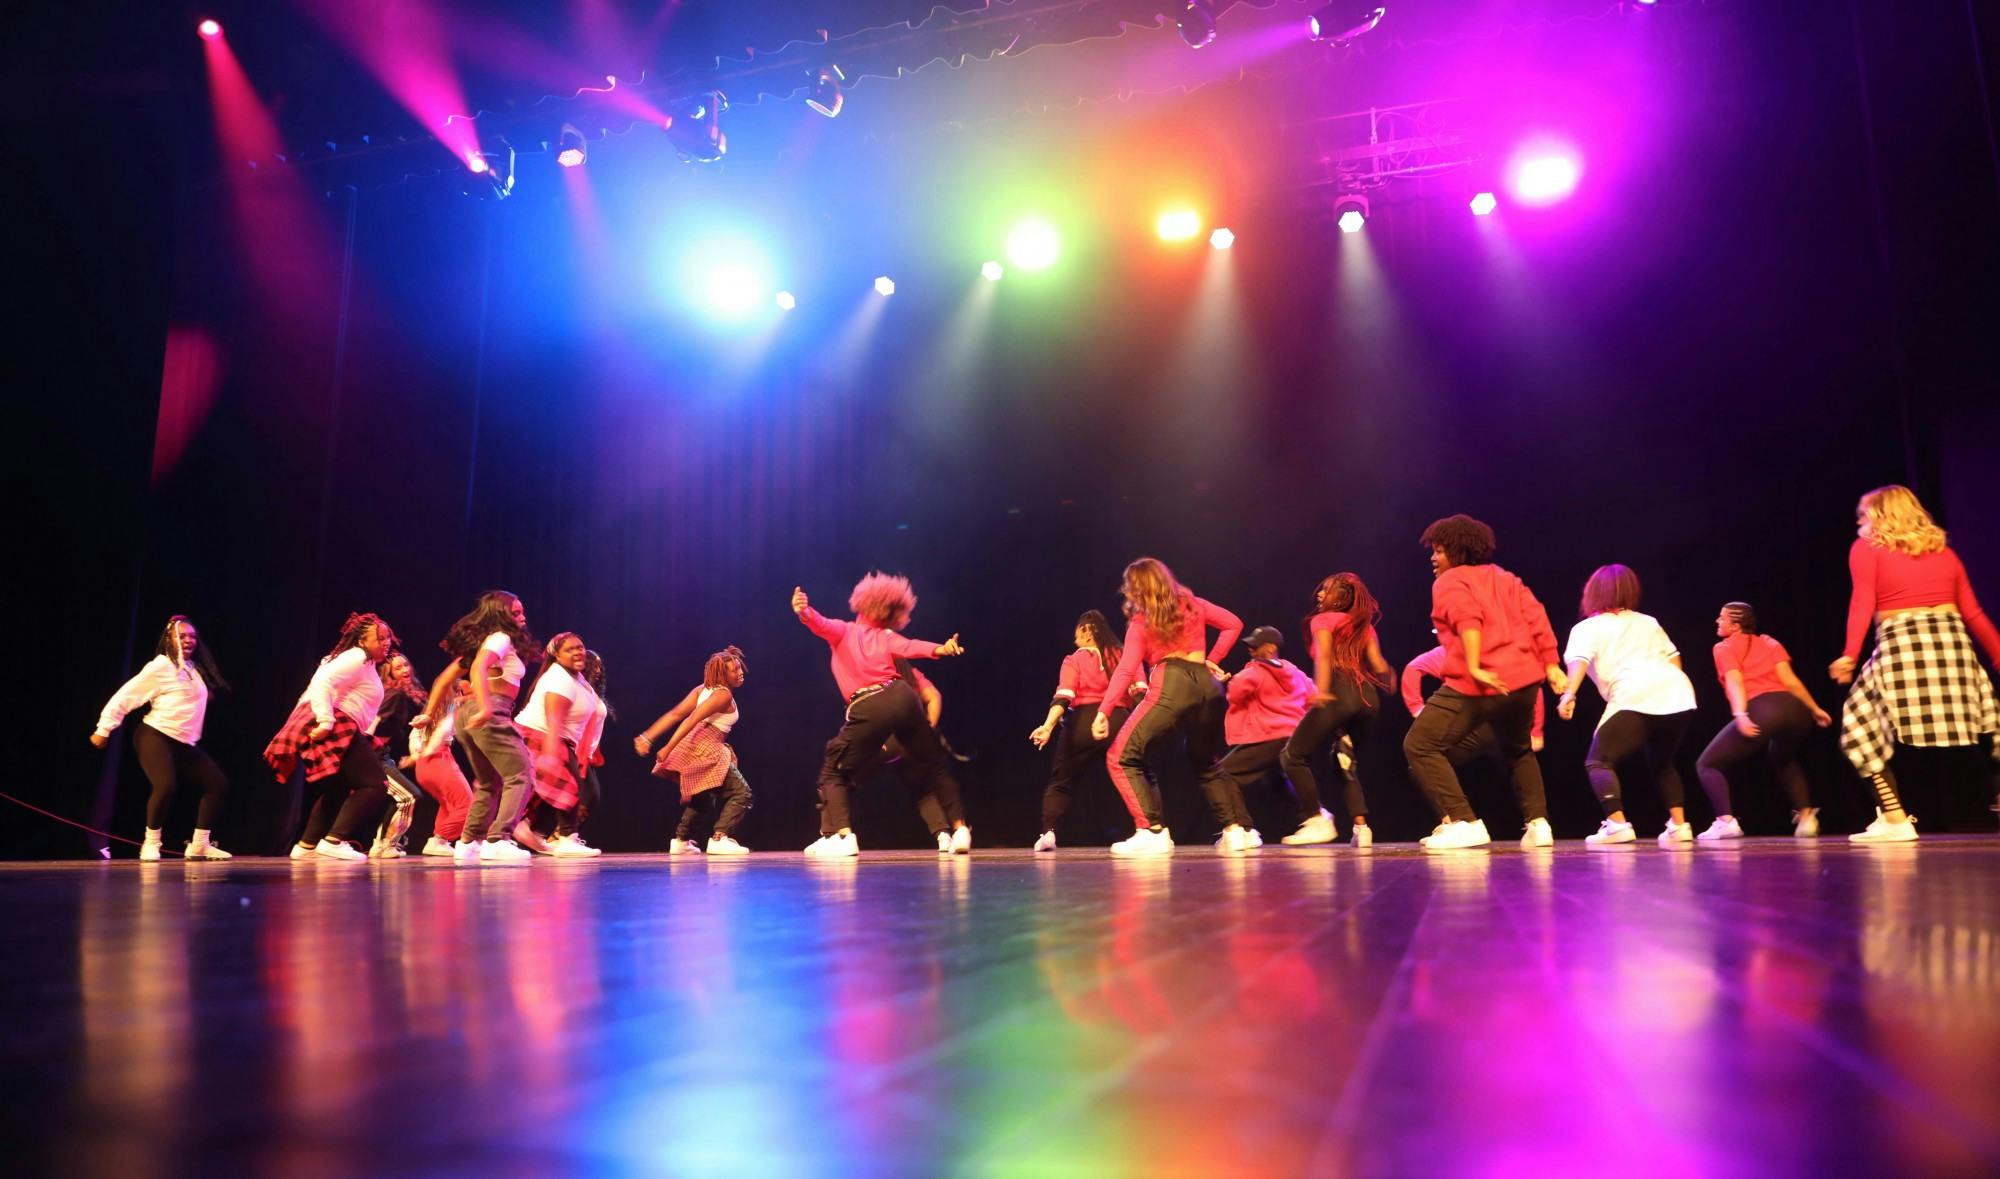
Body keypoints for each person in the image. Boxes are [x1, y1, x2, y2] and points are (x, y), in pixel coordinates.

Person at [1830, 485, 2000, 843]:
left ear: (1880, 515)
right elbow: (1973, 612)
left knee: (1858, 728)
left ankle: (1895, 819)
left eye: (1863, 513)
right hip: (1953, 645)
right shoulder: (1946, 554)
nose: (1859, 521)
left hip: (1904, 644)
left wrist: (1849, 654)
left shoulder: (1867, 548)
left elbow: (1862, 601)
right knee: (1989, 729)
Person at [1402, 516, 1566, 851]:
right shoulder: (1505, 577)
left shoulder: (1449, 582)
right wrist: (1551, 665)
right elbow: (1537, 617)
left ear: (1457, 550)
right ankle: (1539, 825)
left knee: (1419, 744)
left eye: (1439, 550)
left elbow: (1467, 617)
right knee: (1518, 750)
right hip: (1524, 681)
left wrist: (1475, 665)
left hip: (1479, 679)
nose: (1433, 558)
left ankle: (1464, 822)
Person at [793, 574, 966, 857]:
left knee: (833, 770)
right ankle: (959, 830)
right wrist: (941, 648)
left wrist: (804, 611)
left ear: (863, 604)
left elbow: (820, 624)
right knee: (934, 767)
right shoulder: (886, 636)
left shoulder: (845, 631)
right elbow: (911, 648)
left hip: (871, 705)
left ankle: (842, 837)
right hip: (903, 698)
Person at [1094, 557, 1243, 857]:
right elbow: (1233, 624)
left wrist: (1104, 711)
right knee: (1205, 759)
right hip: (1208, 686)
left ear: (1137, 588)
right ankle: (1236, 831)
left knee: (1120, 756)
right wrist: (1212, 660)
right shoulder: (1194, 604)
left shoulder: (1142, 621)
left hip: (1172, 681)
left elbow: (1126, 669)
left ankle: (1151, 832)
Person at [1556, 565, 1700, 848]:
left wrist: (1568, 694)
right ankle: (1680, 826)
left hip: (1634, 691)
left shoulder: (1586, 627)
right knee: (1662, 761)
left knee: (1598, 761)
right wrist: (1668, 686)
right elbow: (1674, 660)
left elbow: (1579, 662)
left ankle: (1617, 825)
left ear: (1591, 593)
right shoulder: (1648, 622)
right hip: (1679, 692)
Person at [91, 615, 232, 861]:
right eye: (182, 636)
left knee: (217, 784)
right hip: (155, 735)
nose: (189, 640)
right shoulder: (161, 666)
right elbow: (127, 695)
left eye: (192, 636)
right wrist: (104, 728)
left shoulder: (190, 669)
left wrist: (203, 696)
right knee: (165, 785)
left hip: (184, 743)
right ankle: (150, 843)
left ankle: (199, 845)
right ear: (169, 639)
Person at [264, 613, 398, 862]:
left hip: (344, 723)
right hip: (338, 723)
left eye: (388, 637)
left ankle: (306, 846)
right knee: (375, 785)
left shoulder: (365, 663)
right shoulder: (356, 657)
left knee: (339, 788)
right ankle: (334, 840)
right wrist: (325, 720)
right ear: (362, 641)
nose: (386, 642)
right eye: (379, 638)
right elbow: (321, 681)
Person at [1693, 602, 1831, 839]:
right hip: (1795, 711)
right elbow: (1790, 681)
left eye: (1722, 617)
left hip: (1763, 709)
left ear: (1735, 626)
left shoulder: (1724, 647)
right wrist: (1814, 709)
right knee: (1783, 758)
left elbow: (1735, 681)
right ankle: (1806, 818)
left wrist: (1740, 715)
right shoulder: (1769, 642)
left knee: (1707, 765)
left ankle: (1726, 822)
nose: (1717, 621)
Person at [421, 590, 538, 866]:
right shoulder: (500, 638)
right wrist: (486, 706)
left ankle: (469, 842)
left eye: (522, 611)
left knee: (489, 782)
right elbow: (478, 668)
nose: (522, 617)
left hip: (468, 713)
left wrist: (428, 714)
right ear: (501, 616)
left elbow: (443, 679)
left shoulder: (487, 641)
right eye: (516, 612)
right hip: (489, 709)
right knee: (522, 774)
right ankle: (499, 840)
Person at [1282, 573, 1396, 848]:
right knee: (1343, 759)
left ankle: (1315, 820)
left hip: (1339, 693)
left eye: (1326, 591)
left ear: (1341, 598)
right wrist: (1390, 678)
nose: (1320, 595)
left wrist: (1320, 689)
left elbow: (1323, 655)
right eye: (1320, 590)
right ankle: (1362, 828)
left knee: (1292, 756)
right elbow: (1379, 664)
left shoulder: (1322, 621)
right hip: (1368, 701)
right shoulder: (1363, 626)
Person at [1402, 638, 1552, 845]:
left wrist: (1416, 708)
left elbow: (1413, 667)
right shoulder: (1511, 650)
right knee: (1520, 754)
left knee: (1421, 751)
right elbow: (1532, 686)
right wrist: (1536, 730)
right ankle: (1539, 825)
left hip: (1475, 722)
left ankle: (1458, 821)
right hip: (1509, 714)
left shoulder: (1452, 650)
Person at [1026, 610, 1144, 851]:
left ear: (1088, 632)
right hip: (1120, 719)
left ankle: (1048, 832)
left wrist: (1047, 726)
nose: (1075, 641)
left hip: (1083, 721)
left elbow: (1064, 696)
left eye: (1078, 635)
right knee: (1137, 774)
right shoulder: (1126, 655)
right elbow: (1141, 693)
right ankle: (1152, 827)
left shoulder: (1075, 659)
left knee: (1061, 781)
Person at [638, 646, 754, 856]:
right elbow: (691, 718)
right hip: (706, 746)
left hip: (694, 745)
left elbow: (675, 714)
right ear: (722, 674)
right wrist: (666, 747)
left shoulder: (702, 689)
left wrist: (648, 736)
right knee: (741, 792)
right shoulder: (723, 695)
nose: (740, 673)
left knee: (703, 795)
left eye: (740, 668)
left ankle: (681, 840)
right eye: (734, 670)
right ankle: (720, 838)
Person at [1208, 626, 1311, 852]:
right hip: (1292, 737)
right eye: (1250, 646)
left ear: (1271, 648)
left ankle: (1244, 830)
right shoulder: (1294, 671)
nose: (1252, 651)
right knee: (1275, 779)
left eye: (1256, 646)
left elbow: (1235, 694)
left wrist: (1222, 681)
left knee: (1223, 772)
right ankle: (1313, 814)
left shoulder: (1255, 671)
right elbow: (1313, 695)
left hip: (1269, 736)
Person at [512, 632, 606, 858]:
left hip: (559, 739)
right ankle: (566, 838)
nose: (578, 652)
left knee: (554, 791)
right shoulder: (559, 679)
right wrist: (551, 753)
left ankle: (532, 829)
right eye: (570, 649)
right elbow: (553, 718)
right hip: (541, 736)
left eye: (580, 647)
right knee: (570, 787)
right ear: (556, 655)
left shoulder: (576, 677)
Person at [368, 652, 428, 859]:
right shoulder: (394, 694)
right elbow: (373, 723)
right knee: (409, 797)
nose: (405, 670)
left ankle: (382, 844)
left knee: (402, 798)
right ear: (389, 673)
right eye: (398, 668)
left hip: (384, 755)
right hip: (375, 755)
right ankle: (387, 843)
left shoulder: (405, 695)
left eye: (406, 665)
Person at [410, 678, 473, 857]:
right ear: (454, 692)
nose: (465, 696)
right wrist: (430, 749)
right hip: (437, 758)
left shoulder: (432, 711)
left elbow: (415, 733)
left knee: (448, 804)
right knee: (467, 805)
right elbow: (443, 730)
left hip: (424, 764)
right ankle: (439, 839)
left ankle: (441, 841)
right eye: (462, 692)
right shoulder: (453, 708)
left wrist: (416, 754)